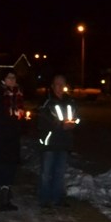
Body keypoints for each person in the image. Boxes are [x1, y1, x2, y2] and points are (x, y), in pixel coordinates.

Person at [36, 74, 79, 208]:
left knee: (59, 173)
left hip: (64, 142)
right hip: (50, 142)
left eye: (62, 84)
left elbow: (77, 117)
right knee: (46, 172)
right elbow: (42, 121)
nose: (60, 87)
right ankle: (44, 199)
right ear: (53, 86)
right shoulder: (47, 102)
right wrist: (60, 125)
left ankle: (57, 198)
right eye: (58, 84)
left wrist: (74, 123)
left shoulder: (70, 102)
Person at [0, 69, 24, 211]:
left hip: (13, 138)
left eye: (14, 77)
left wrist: (23, 120)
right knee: (0, 167)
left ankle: (6, 199)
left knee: (10, 168)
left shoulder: (18, 94)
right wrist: (8, 121)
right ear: (3, 79)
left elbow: (20, 115)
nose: (12, 80)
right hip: (1, 138)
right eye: (9, 77)